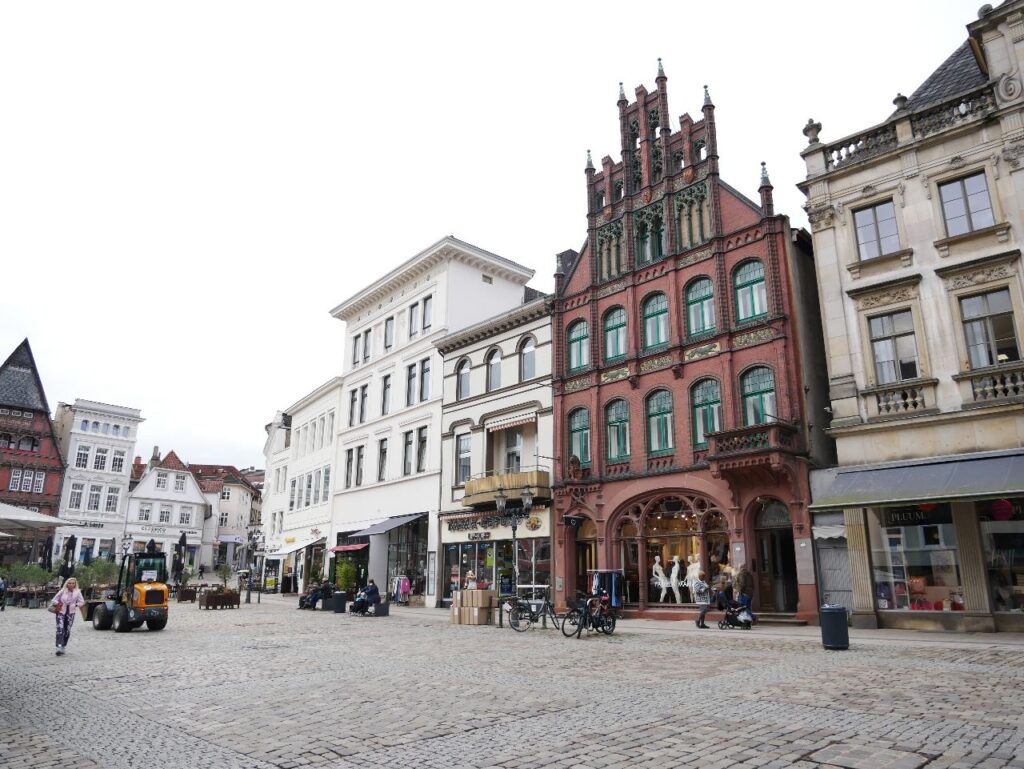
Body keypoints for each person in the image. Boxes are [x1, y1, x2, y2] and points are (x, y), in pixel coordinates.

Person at [50, 577, 85, 655]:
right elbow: (54, 600)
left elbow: (82, 602)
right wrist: (58, 603)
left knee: (67, 630)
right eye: (69, 583)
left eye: (73, 583)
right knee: (60, 629)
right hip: (61, 612)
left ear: (75, 584)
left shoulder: (78, 592)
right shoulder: (62, 591)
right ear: (67, 584)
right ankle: (59, 647)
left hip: (71, 613)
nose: (71, 584)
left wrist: (76, 604)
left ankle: (63, 646)